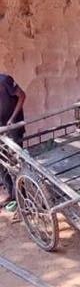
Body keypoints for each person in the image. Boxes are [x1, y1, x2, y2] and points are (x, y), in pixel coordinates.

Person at [0, 72, 25, 210]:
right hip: (1, 128)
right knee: (2, 161)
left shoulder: (5, 80)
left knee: (16, 162)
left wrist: (12, 119)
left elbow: (22, 96)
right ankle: (11, 193)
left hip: (13, 127)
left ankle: (22, 196)